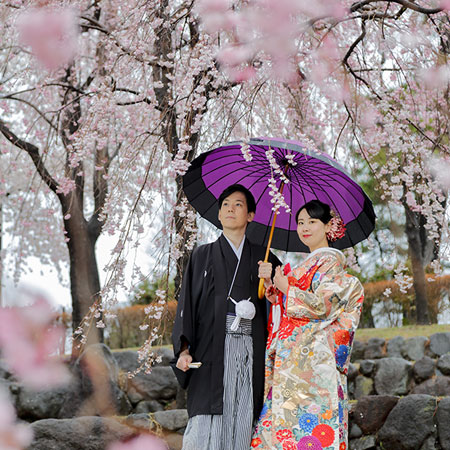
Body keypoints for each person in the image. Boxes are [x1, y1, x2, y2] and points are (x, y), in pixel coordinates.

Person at [172, 184, 281, 450]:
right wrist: (184, 350)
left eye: (239, 205)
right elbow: (187, 305)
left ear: (251, 215)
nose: (231, 209)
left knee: (244, 416)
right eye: (226, 205)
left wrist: (272, 285)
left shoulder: (265, 259)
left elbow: (282, 306)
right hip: (211, 350)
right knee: (206, 422)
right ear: (219, 214)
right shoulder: (201, 255)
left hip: (250, 348)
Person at [251, 200, 364, 450]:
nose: (304, 227)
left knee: (310, 429)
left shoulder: (331, 263)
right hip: (293, 361)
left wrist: (286, 289)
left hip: (314, 364)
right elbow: (290, 306)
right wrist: (275, 294)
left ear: (328, 227)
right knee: (286, 426)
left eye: (312, 222)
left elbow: (323, 306)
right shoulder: (306, 265)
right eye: (300, 222)